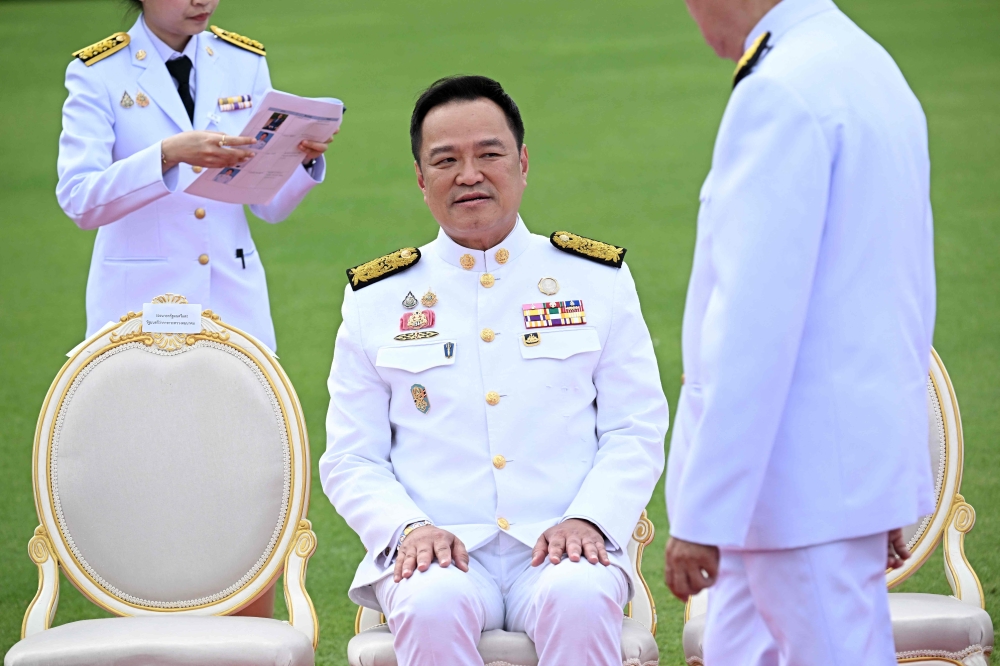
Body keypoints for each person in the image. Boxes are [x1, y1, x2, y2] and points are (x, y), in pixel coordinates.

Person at [320, 75, 669, 666]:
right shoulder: (377, 296)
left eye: (489, 154)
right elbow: (351, 456)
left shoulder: (595, 278)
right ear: (420, 178)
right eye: (446, 160)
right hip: (438, 549)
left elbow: (635, 427)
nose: (469, 174)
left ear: (523, 162)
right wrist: (408, 530)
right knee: (431, 604)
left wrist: (589, 518)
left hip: (563, 544)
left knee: (580, 596)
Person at [663, 0, 936, 663]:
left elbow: (751, 329)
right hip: (830, 480)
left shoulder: (782, 91)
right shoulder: (863, 64)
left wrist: (704, 515)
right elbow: (895, 296)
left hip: (795, 490)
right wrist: (882, 481)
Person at [57, 0, 335, 355]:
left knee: (240, 410)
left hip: (234, 302)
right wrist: (166, 155)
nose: (203, 1)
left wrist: (299, 160)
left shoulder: (243, 60)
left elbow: (268, 208)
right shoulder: (99, 71)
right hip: (141, 304)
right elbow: (80, 200)